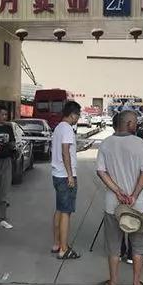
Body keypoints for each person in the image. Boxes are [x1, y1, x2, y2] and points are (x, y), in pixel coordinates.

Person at [96, 110, 143, 285]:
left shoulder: (106, 144)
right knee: (138, 247)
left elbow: (101, 172)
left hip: (113, 206)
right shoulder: (139, 144)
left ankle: (113, 284)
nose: (136, 125)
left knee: (113, 247)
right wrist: (134, 195)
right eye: (134, 122)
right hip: (138, 206)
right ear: (128, 124)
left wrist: (118, 191)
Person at [51, 101, 82, 260]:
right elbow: (65, 152)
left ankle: (57, 243)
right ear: (73, 115)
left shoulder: (58, 128)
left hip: (57, 174)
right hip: (65, 176)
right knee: (66, 212)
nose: (78, 118)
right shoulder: (68, 129)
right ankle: (64, 249)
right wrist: (70, 175)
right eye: (78, 115)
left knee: (59, 209)